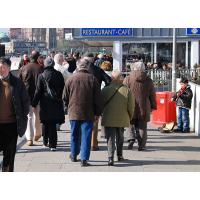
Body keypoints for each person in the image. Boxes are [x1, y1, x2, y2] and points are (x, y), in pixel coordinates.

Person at [63, 58, 102, 167]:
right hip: (88, 113)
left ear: (77, 66)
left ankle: (74, 154)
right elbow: (97, 99)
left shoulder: (70, 79)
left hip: (74, 112)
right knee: (86, 136)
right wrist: (97, 113)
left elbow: (64, 97)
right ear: (87, 67)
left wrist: (67, 107)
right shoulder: (93, 79)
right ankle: (84, 159)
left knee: (74, 134)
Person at [0, 57, 29, 172]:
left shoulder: (17, 83)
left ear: (9, 68)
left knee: (10, 154)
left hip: (12, 125)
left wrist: (22, 116)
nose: (1, 70)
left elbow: (25, 102)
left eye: (3, 67)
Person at [101, 71, 134, 166]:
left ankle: (110, 158)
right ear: (120, 78)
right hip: (122, 117)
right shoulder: (127, 90)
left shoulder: (105, 90)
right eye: (122, 76)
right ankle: (119, 155)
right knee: (120, 137)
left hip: (108, 117)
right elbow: (131, 106)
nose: (123, 78)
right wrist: (129, 116)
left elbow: (101, 104)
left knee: (110, 138)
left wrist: (102, 114)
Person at [32, 57, 65, 151]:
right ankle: (53, 145)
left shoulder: (41, 76)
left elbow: (38, 91)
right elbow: (63, 89)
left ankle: (45, 142)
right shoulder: (59, 75)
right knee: (53, 124)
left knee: (45, 123)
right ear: (53, 64)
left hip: (45, 103)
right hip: (56, 103)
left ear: (45, 65)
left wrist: (34, 104)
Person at [123, 61, 157, 151]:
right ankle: (141, 145)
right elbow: (152, 94)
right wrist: (153, 105)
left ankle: (131, 138)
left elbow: (123, 92)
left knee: (129, 123)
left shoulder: (128, 79)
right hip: (144, 106)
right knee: (142, 126)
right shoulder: (148, 80)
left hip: (130, 105)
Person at [82, 52, 111, 151]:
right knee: (94, 123)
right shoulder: (98, 70)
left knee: (83, 122)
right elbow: (109, 81)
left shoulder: (80, 71)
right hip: (95, 98)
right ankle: (93, 144)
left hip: (82, 99)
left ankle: (85, 143)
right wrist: (102, 91)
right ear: (93, 60)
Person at [19, 50, 43, 146]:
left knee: (29, 117)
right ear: (37, 58)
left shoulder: (23, 68)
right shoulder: (41, 68)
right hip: (38, 95)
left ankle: (29, 138)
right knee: (37, 115)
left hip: (26, 96)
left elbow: (19, 83)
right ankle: (38, 133)